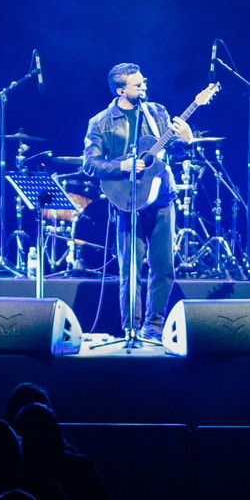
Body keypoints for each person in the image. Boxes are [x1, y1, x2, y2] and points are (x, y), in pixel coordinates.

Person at [82, 63, 204, 334]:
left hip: (161, 197)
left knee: (163, 267)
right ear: (120, 90)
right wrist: (123, 166)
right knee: (130, 270)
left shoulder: (157, 112)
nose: (144, 87)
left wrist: (186, 141)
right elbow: (89, 165)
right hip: (126, 202)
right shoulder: (101, 122)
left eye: (144, 82)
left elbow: (174, 153)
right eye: (137, 85)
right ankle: (131, 328)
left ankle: (154, 326)